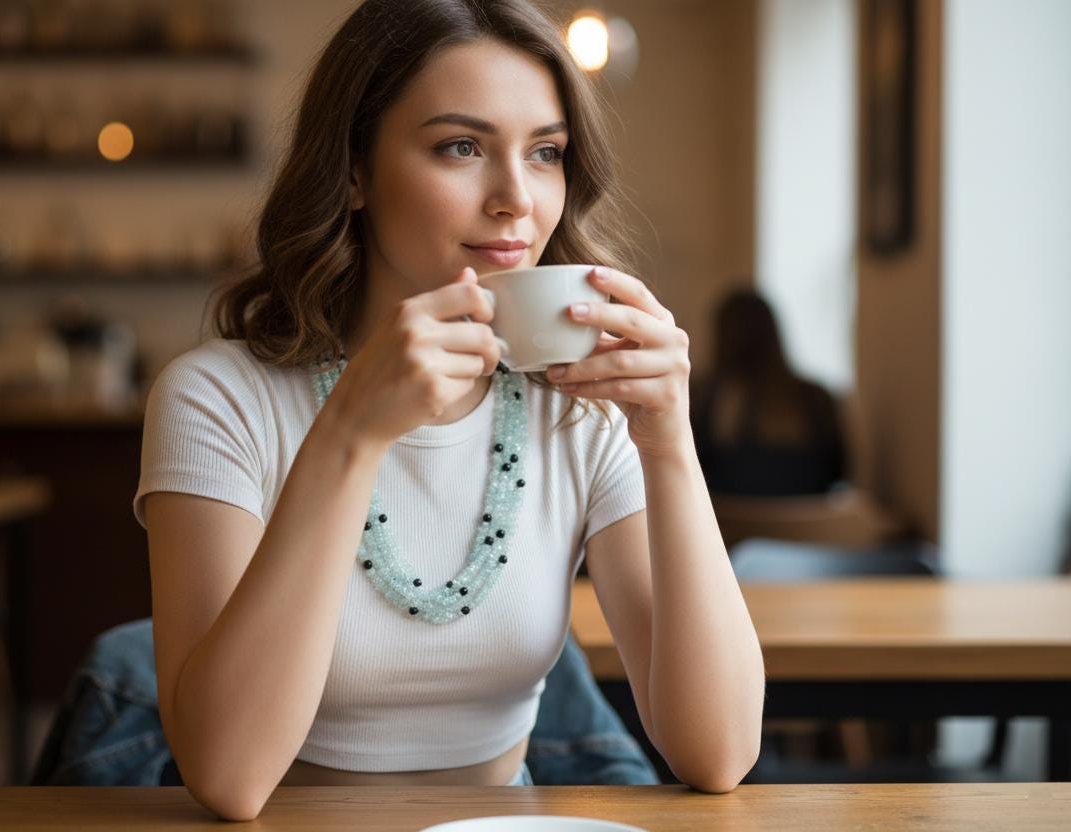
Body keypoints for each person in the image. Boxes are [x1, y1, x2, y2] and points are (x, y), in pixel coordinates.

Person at [134, 0, 764, 820]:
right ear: (354, 171)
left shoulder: (583, 408)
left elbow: (718, 752)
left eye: (545, 153)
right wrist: (353, 433)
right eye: (460, 147)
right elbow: (227, 775)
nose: (515, 200)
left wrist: (669, 442)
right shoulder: (217, 400)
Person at [690, 288, 847, 497]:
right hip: (808, 525)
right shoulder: (816, 397)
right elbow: (838, 472)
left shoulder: (702, 397)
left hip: (727, 524)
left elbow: (692, 475)